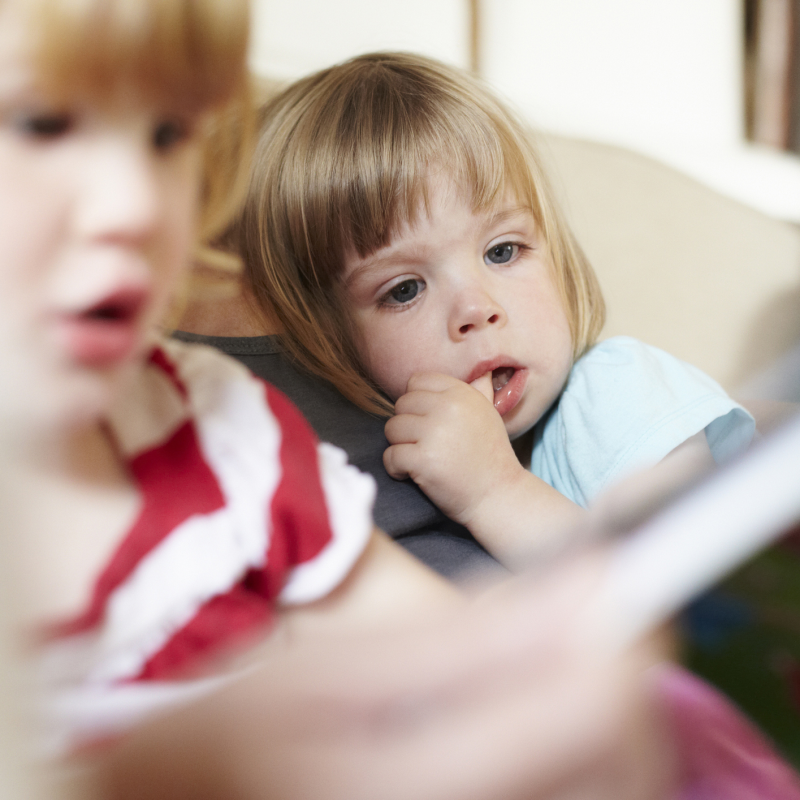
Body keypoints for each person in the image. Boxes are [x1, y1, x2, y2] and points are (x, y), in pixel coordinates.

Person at [0, 3, 684, 799]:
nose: (138, 204)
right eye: (44, 124)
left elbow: (446, 659)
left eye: (167, 135)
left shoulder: (231, 427)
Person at [177, 52, 754, 571]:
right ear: (330, 341)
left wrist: (495, 491)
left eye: (503, 251)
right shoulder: (403, 450)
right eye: (404, 289)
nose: (476, 310)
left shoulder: (621, 392)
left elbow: (674, 603)